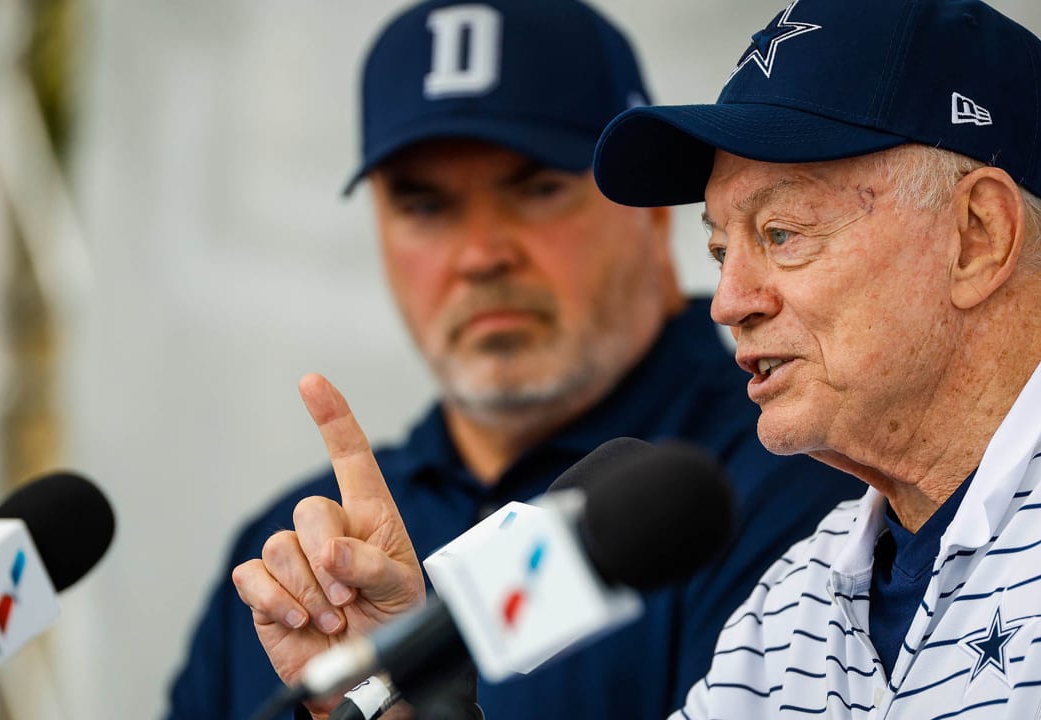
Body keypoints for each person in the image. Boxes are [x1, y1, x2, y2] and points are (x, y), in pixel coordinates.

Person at [174, 0, 862, 718]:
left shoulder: (800, 471)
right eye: (426, 206)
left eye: (536, 189)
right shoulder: (302, 561)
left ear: (653, 211)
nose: (480, 255)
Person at [588, 0, 1041, 716]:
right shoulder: (791, 607)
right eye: (721, 250)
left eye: (781, 233)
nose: (727, 301)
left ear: (978, 235)